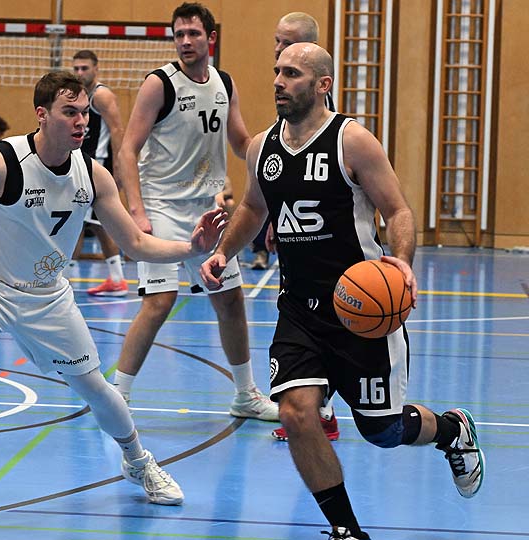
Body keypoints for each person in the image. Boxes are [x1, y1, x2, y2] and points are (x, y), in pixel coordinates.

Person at [0, 70, 229, 536]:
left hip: (46, 297)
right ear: (42, 115)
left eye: (85, 113)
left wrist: (191, 248)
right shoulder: (0, 163)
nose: (81, 121)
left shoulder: (92, 175)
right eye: (70, 112)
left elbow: (136, 244)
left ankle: (138, 461)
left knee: (96, 388)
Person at [200, 43, 485, 540]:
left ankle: (451, 430)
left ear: (322, 84)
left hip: (360, 311)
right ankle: (346, 530)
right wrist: (223, 251)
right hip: (299, 312)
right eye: (277, 71)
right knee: (296, 412)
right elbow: (253, 207)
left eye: (292, 73)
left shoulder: (352, 141)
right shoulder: (262, 147)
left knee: (383, 431)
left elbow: (398, 210)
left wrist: (402, 262)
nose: (278, 81)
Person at [111, 2, 277, 421]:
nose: (185, 41)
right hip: (162, 207)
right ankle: (118, 396)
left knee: (230, 300)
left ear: (210, 38)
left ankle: (245, 395)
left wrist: (277, 147)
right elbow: (127, 150)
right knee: (160, 301)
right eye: (179, 34)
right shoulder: (159, 84)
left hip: (207, 209)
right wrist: (137, 211)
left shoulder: (224, 82)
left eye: (193, 34)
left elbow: (241, 143)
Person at [266, 11, 340, 443]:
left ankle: (325, 408)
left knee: (383, 427)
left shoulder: (323, 112)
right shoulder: (286, 94)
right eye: (277, 42)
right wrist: (279, 215)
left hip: (335, 254)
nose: (279, 50)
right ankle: (319, 410)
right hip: (299, 257)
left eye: (288, 43)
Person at [71, 49, 128, 296]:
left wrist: (119, 169)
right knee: (93, 224)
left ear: (96, 68)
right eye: (76, 68)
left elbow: (117, 130)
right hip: (82, 165)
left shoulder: (101, 95)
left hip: (98, 167)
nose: (79, 72)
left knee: (80, 223)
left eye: (84, 68)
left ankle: (62, 279)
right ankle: (116, 279)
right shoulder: (79, 95)